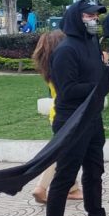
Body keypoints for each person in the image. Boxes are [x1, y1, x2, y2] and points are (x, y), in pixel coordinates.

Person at [42, 0, 109, 216]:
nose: (95, 19)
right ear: (76, 18)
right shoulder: (66, 50)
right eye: (89, 15)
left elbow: (96, 74)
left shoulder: (91, 44)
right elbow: (68, 91)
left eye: (96, 15)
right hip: (71, 122)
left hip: (92, 118)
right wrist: (99, 83)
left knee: (95, 172)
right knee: (64, 179)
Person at [30, 31, 82, 205]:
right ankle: (41, 187)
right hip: (68, 113)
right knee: (60, 153)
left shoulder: (48, 66)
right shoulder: (63, 67)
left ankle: (72, 188)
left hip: (57, 113)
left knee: (68, 152)